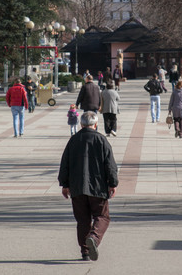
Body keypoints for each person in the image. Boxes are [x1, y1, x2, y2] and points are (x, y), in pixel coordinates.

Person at [58, 112, 119, 262]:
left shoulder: (73, 140)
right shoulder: (101, 140)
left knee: (83, 220)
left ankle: (85, 252)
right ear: (96, 124)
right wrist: (113, 183)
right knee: (102, 216)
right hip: (97, 186)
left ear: (81, 124)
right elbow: (110, 165)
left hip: (77, 187)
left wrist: (65, 184)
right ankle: (94, 238)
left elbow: (64, 164)